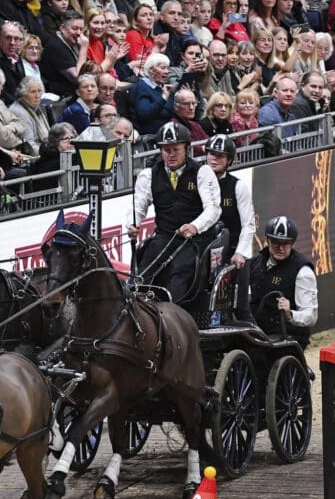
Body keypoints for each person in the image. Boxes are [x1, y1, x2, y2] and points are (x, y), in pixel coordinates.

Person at [128, 122, 221, 303]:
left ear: (186, 149)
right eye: (165, 150)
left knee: (179, 271)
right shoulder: (148, 176)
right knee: (143, 271)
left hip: (195, 240)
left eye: (175, 150)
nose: (170, 154)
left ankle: (168, 311)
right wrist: (133, 223)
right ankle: (135, 306)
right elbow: (138, 206)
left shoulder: (202, 172)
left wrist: (195, 226)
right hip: (164, 235)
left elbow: (213, 208)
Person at [204, 133, 254, 321]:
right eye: (211, 154)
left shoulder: (237, 187)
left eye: (220, 156)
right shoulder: (197, 184)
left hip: (233, 254)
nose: (214, 159)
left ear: (229, 160)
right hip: (205, 256)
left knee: (241, 309)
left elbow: (248, 224)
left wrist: (240, 252)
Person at [248, 215, 317, 345]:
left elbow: (311, 316)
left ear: (292, 243)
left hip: (286, 335)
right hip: (255, 330)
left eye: (285, 243)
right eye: (275, 242)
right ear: (267, 241)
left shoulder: (303, 272)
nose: (280, 248)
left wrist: (290, 313)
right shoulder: (255, 262)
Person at [40, 10, 90, 98]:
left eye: (81, 29)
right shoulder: (55, 46)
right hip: (61, 100)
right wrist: (84, 48)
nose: (79, 33)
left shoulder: (73, 42)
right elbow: (79, 78)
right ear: (62, 28)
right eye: (74, 28)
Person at [131, 52, 175, 135]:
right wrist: (163, 98)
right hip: (149, 137)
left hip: (166, 133)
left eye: (167, 68)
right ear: (151, 70)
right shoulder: (142, 87)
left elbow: (170, 112)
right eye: (163, 68)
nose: (167, 71)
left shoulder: (164, 88)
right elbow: (144, 114)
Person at [9, 77, 52, 153]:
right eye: (33, 92)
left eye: (39, 91)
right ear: (23, 94)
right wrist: (51, 152)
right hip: (34, 156)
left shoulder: (36, 108)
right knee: (64, 158)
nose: (37, 95)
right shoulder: (19, 112)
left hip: (43, 150)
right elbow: (29, 147)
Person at [258, 73, 298, 139]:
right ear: (276, 93)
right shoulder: (267, 113)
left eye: (292, 91)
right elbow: (267, 144)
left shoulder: (291, 116)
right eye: (285, 90)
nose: (289, 94)